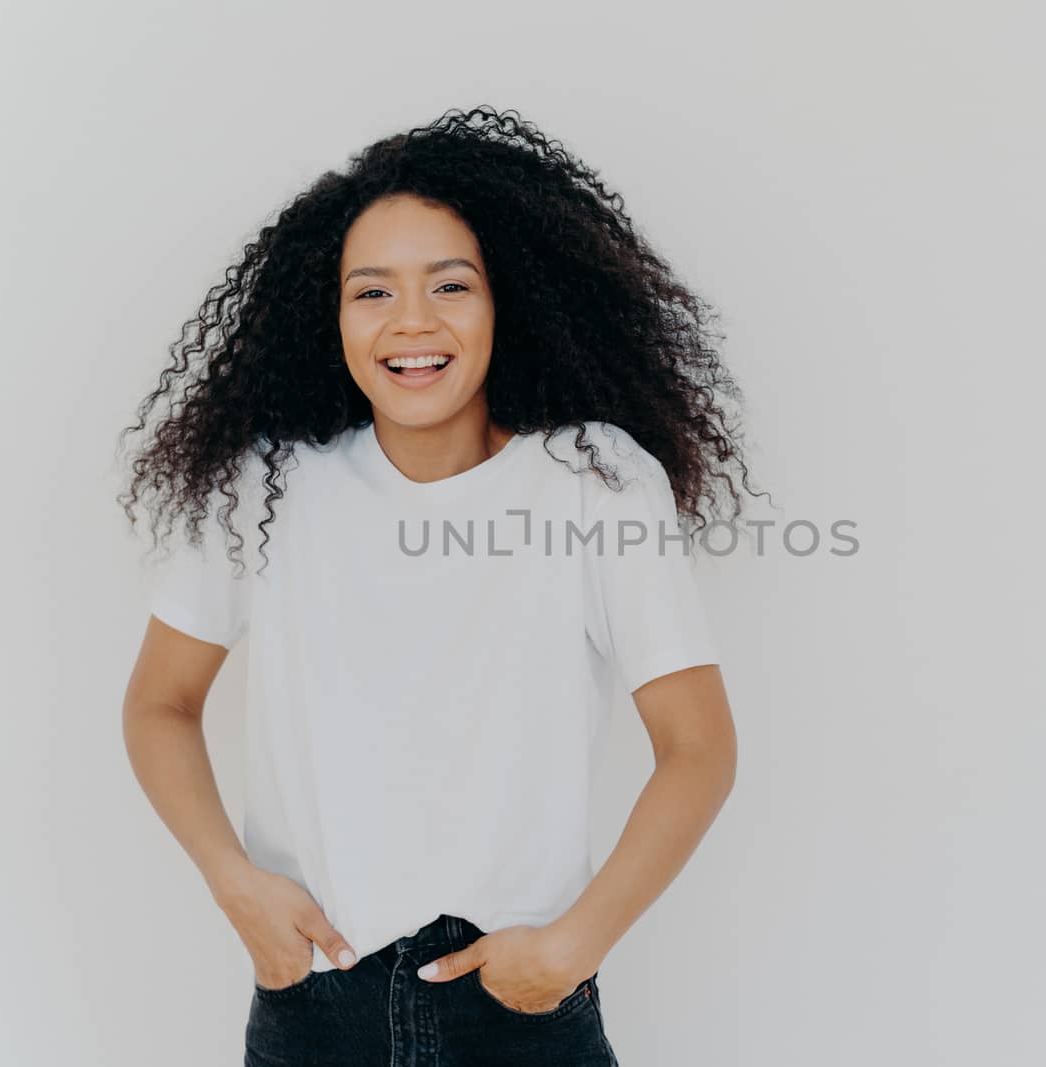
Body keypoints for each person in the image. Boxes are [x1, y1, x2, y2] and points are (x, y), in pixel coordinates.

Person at [117, 105, 765, 1065]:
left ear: (512, 301)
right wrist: (234, 883)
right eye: (371, 291)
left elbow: (698, 745)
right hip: (311, 1005)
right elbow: (160, 703)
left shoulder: (594, 479)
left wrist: (570, 950)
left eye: (450, 285)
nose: (411, 323)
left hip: (518, 1008)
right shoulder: (265, 486)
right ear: (326, 313)